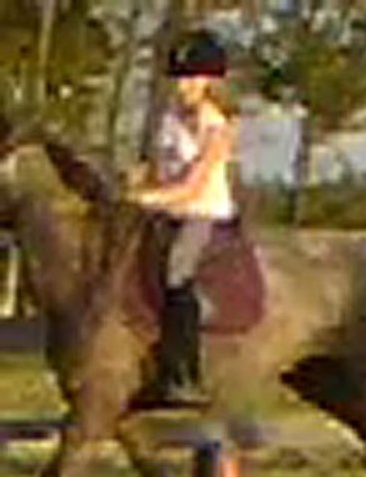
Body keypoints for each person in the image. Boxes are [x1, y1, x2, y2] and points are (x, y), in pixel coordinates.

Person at [130, 28, 238, 404]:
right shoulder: (169, 120)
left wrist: (146, 199)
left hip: (203, 214)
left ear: (211, 80)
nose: (182, 87)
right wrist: (135, 183)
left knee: (177, 269)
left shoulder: (217, 127)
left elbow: (193, 186)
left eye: (190, 78)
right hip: (165, 211)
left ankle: (185, 375)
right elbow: (156, 170)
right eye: (177, 78)